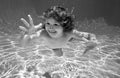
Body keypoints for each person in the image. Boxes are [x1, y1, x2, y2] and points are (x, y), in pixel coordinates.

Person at [19, 6, 97, 57]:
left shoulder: (70, 32)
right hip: (55, 47)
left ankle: (72, 39)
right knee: (59, 55)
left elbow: (91, 35)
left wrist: (93, 42)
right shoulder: (43, 33)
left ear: (64, 25)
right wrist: (27, 34)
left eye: (56, 24)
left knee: (76, 38)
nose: (50, 27)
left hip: (66, 38)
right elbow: (23, 45)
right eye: (48, 23)